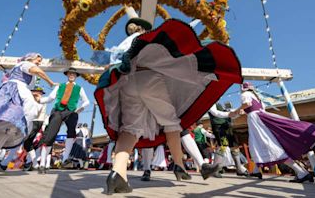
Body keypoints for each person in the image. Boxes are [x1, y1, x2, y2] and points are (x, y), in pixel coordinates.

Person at [94, 17, 242, 194]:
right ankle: (179, 165)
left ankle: (118, 174)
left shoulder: (123, 44)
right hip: (149, 78)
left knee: (130, 129)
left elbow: (112, 61)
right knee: (172, 124)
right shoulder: (146, 38)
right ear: (141, 28)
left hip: (127, 82)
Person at [236, 82, 315, 183]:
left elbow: (247, 104)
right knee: (258, 145)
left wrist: (236, 110)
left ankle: (301, 172)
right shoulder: (257, 97)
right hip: (261, 119)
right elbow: (256, 108)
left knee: (266, 146)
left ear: (243, 89)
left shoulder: (245, 95)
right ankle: (256, 170)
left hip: (256, 122)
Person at [37, 67, 90, 174]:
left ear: (76, 76)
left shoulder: (80, 88)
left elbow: (86, 101)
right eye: (70, 74)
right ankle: (42, 163)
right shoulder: (60, 86)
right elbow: (50, 98)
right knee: (50, 135)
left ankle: (65, 159)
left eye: (74, 74)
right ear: (67, 75)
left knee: (71, 133)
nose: (72, 75)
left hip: (71, 112)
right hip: (58, 111)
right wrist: (40, 100)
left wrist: (79, 110)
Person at [208, 103, 250, 178]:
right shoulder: (211, 102)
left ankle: (239, 169)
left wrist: (237, 113)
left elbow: (231, 116)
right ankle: (214, 169)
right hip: (219, 127)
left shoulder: (221, 104)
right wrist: (231, 113)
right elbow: (215, 113)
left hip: (227, 127)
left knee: (234, 147)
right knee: (222, 146)